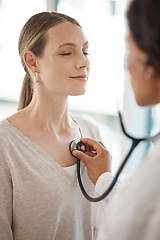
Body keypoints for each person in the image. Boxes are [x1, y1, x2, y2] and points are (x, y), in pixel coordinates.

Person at [0, 12, 107, 240]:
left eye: (85, 51)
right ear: (32, 61)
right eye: (67, 53)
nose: (84, 62)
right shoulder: (5, 144)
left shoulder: (92, 132)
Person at [72, 0, 160, 239]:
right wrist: (103, 178)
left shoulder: (88, 127)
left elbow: (126, 230)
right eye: (66, 52)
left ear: (151, 61)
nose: (84, 62)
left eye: (129, 47)